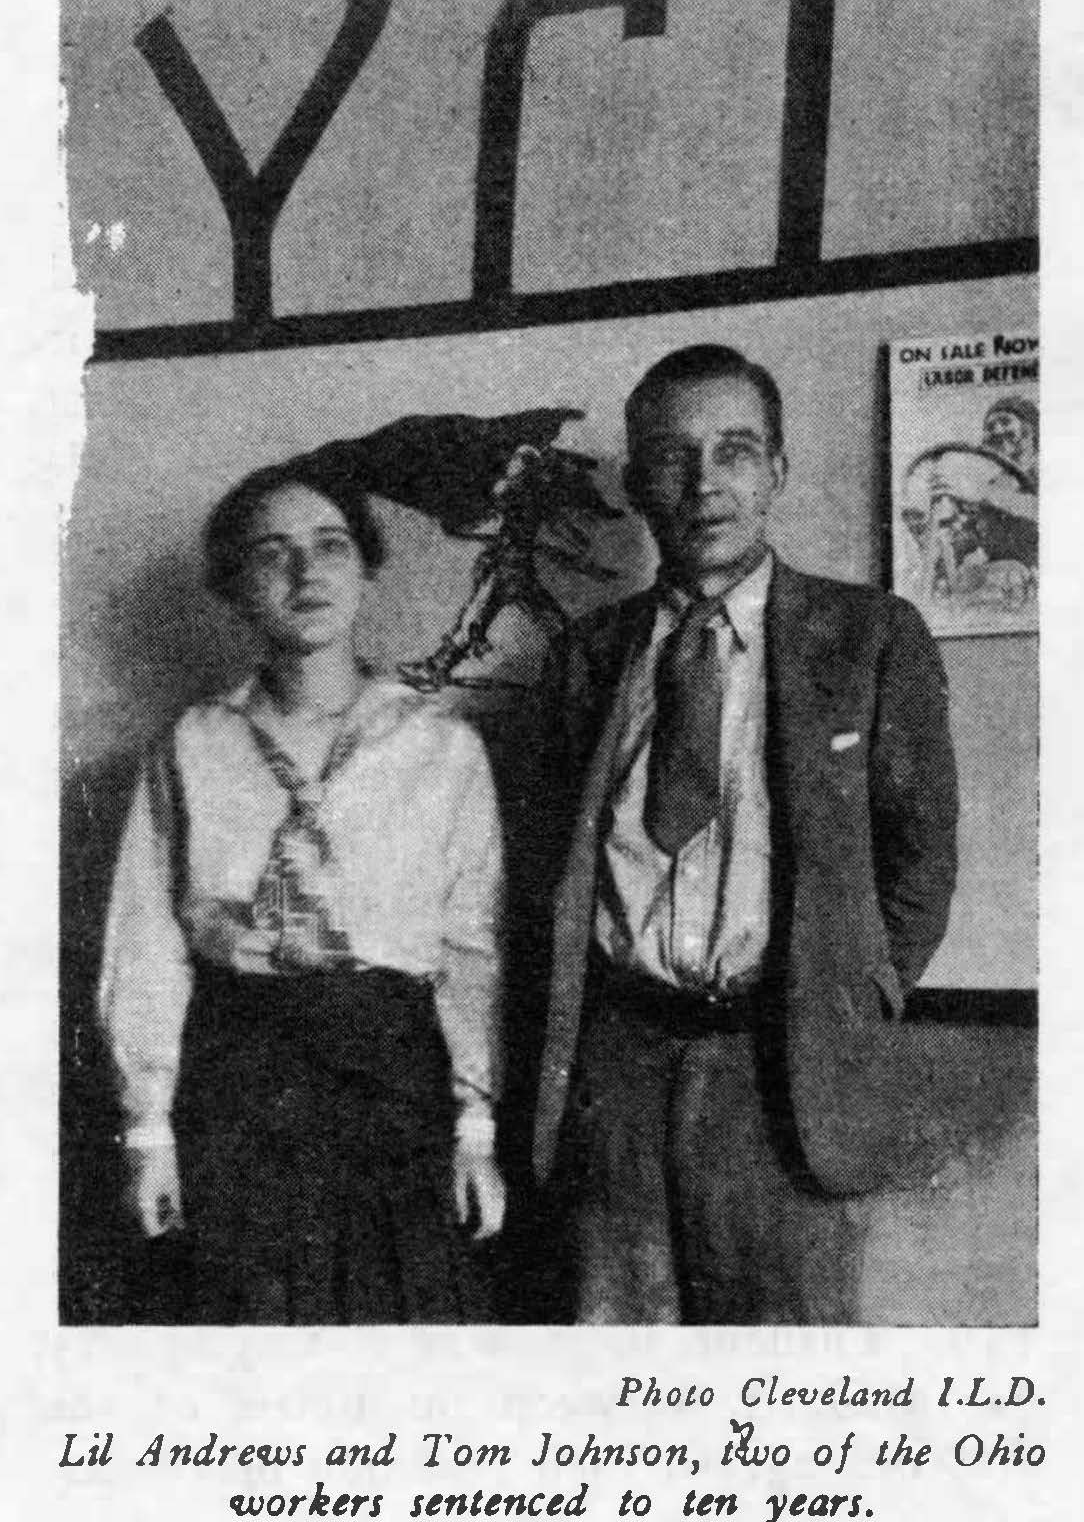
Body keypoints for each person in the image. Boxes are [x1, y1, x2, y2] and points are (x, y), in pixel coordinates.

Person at [532, 345, 960, 1324]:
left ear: (777, 471)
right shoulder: (585, 657)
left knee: (782, 1371)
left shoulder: (869, 637)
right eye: (672, 456)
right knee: (615, 1364)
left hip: (783, 1076)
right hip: (617, 1072)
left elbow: (921, 861)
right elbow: (542, 872)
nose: (704, 482)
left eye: (734, 450)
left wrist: (854, 995)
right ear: (636, 484)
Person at [98, 459, 506, 1323]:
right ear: (233, 587)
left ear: (366, 569)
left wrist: (475, 1126)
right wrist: (149, 1132)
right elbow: (146, 944)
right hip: (241, 1082)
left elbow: (473, 948)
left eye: (330, 546)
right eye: (271, 553)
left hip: (393, 1081)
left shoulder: (440, 748)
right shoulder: (193, 746)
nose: (305, 571)